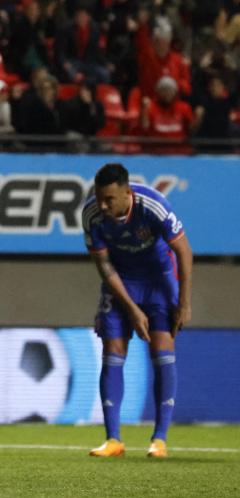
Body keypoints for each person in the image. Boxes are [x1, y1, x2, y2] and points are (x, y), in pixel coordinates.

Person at [83, 163, 192, 459]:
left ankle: (159, 439)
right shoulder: (91, 215)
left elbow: (183, 251)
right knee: (113, 349)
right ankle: (113, 440)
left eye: (109, 200)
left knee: (162, 350)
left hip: (159, 280)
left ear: (127, 194)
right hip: (121, 284)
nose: (102, 205)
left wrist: (183, 302)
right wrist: (132, 310)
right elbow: (104, 267)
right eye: (99, 198)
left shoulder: (154, 206)